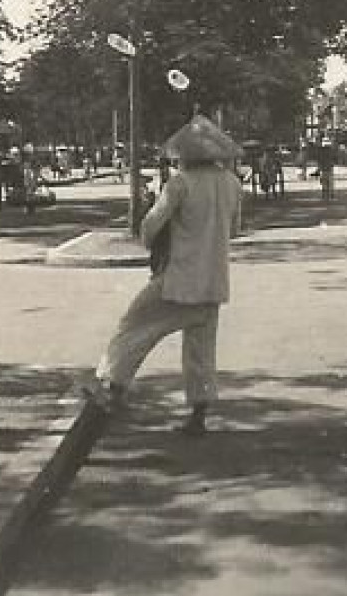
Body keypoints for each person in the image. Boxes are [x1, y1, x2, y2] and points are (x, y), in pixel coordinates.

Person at [83, 115, 244, 437]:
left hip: (179, 277)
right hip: (213, 279)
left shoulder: (180, 182)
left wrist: (152, 240)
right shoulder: (231, 182)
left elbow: (151, 225)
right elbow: (236, 229)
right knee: (200, 351)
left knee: (134, 327)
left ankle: (111, 387)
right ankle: (198, 416)